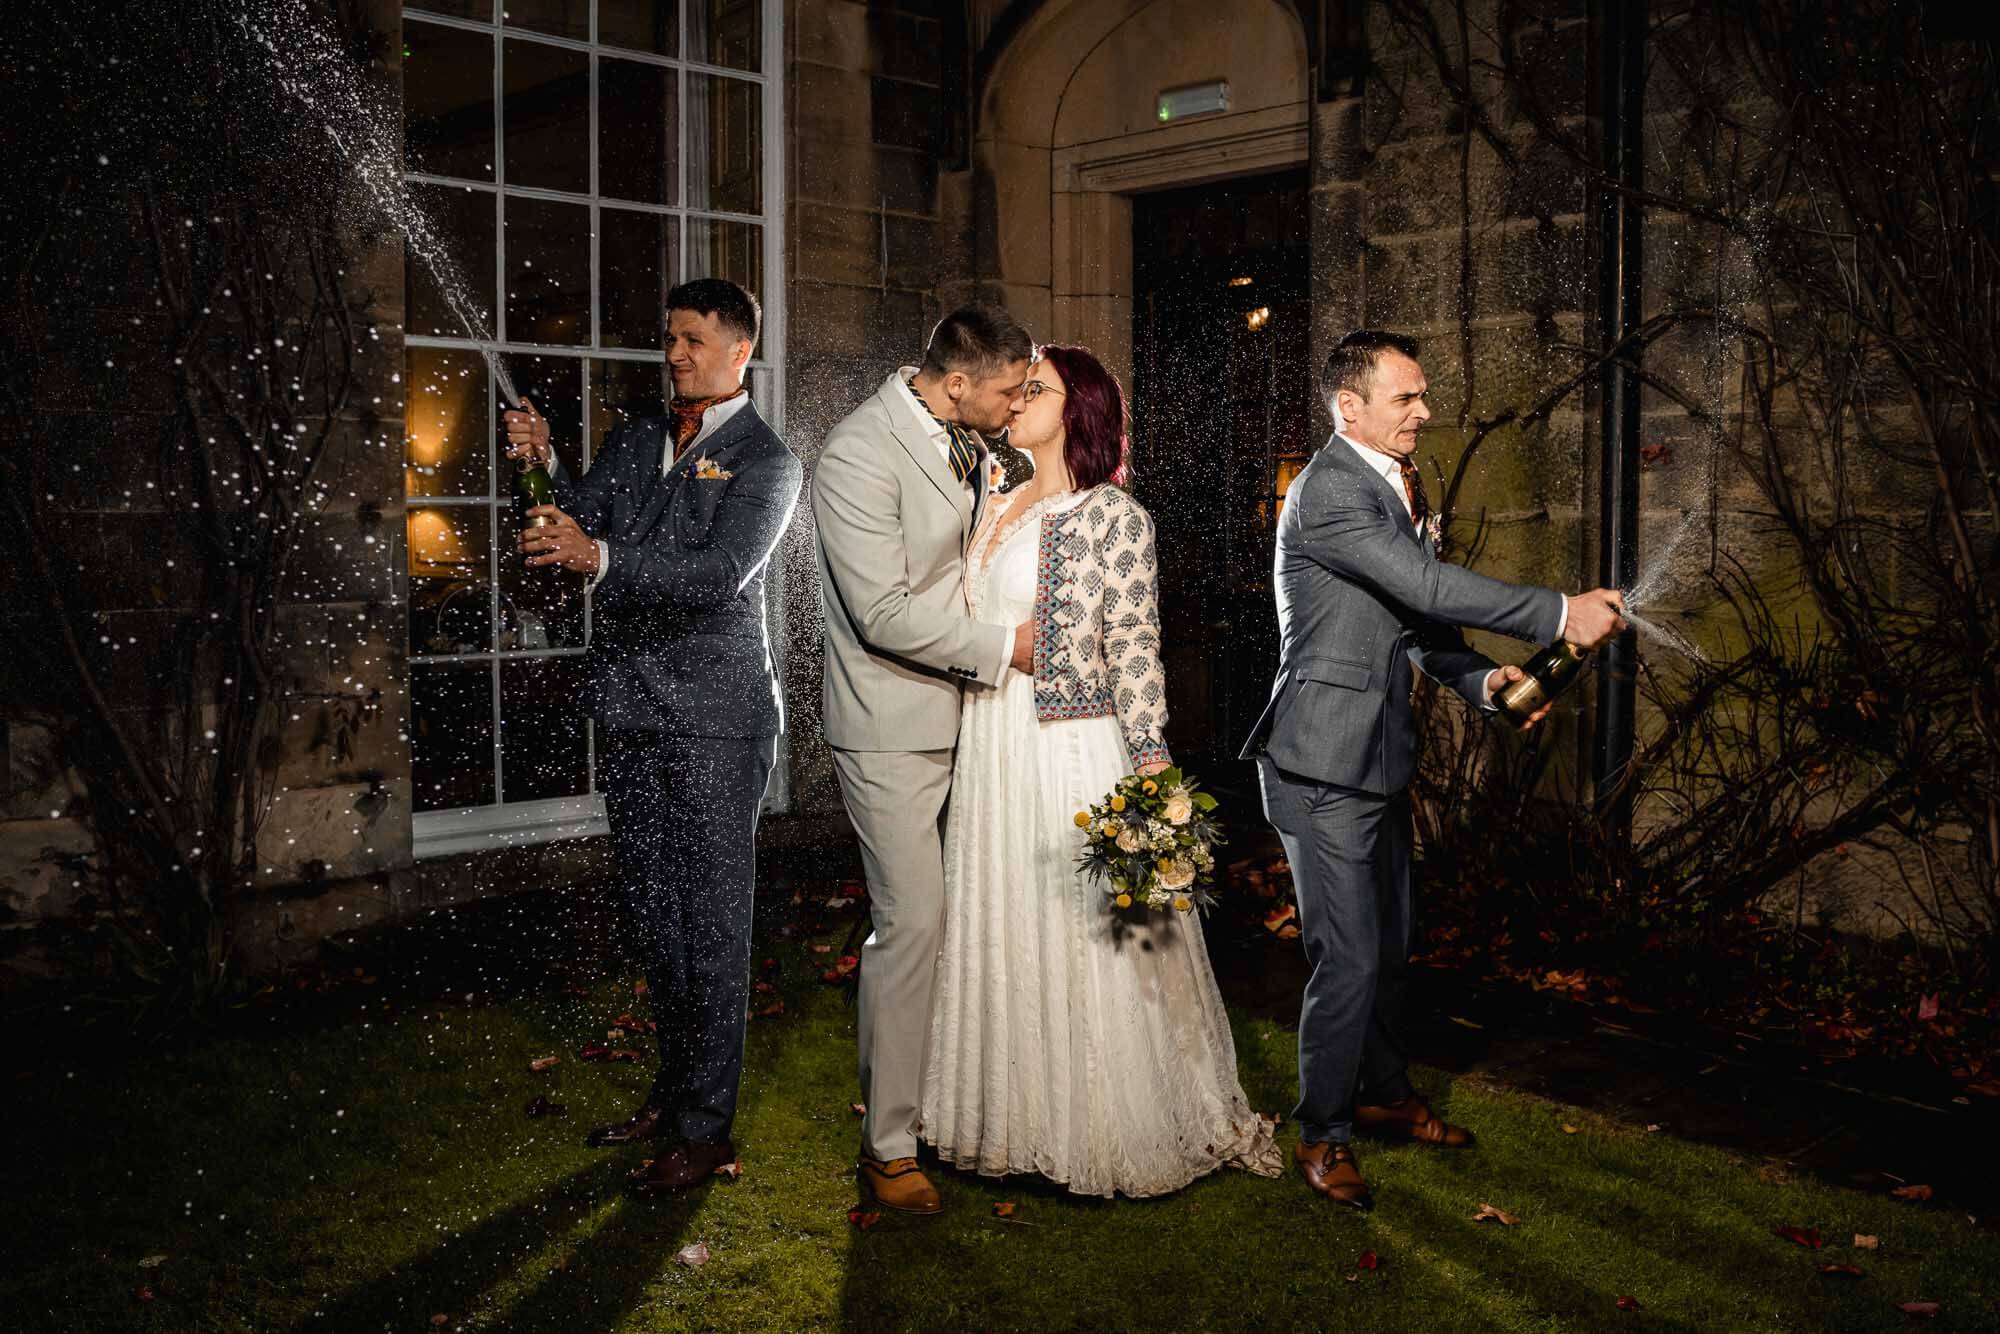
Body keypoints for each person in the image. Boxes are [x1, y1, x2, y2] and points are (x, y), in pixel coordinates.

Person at [1241, 329, 1626, 1211]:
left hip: (1374, 758)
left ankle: (1383, 1097)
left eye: (1422, 396)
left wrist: (1486, 680)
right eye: (1406, 398)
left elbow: (1414, 621)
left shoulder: (1389, 486)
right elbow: (1431, 588)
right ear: (1351, 407)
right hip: (1319, 763)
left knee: (1388, 950)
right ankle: (1322, 1134)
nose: (1424, 412)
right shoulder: (1333, 490)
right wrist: (1559, 612)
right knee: (1348, 961)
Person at [922, 344, 1283, 1197]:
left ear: (1077, 408)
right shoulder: (996, 500)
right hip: (991, 744)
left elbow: (1133, 650)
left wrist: (1154, 774)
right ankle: (1005, 1119)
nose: (1017, 398)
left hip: (1069, 747)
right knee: (998, 923)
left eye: (1035, 387)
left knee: (1081, 938)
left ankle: (1102, 1122)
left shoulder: (1113, 516)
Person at [504, 278, 802, 1198]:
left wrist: (601, 559)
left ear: (739, 350)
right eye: (668, 337)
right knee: (655, 923)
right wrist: (546, 468)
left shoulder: (768, 460)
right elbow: (581, 524)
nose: (674, 354)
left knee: (712, 931)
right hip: (632, 712)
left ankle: (707, 1132)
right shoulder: (639, 434)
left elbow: (718, 577)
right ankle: (673, 1098)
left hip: (717, 722)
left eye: (692, 340)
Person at [812, 306, 1037, 1215]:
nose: (1020, 403)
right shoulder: (856, 454)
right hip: (889, 722)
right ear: (955, 385)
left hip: (977, 719)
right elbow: (885, 616)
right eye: (1009, 390)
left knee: (976, 915)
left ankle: (969, 1099)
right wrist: (1006, 648)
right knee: (913, 924)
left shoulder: (968, 433)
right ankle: (889, 1145)